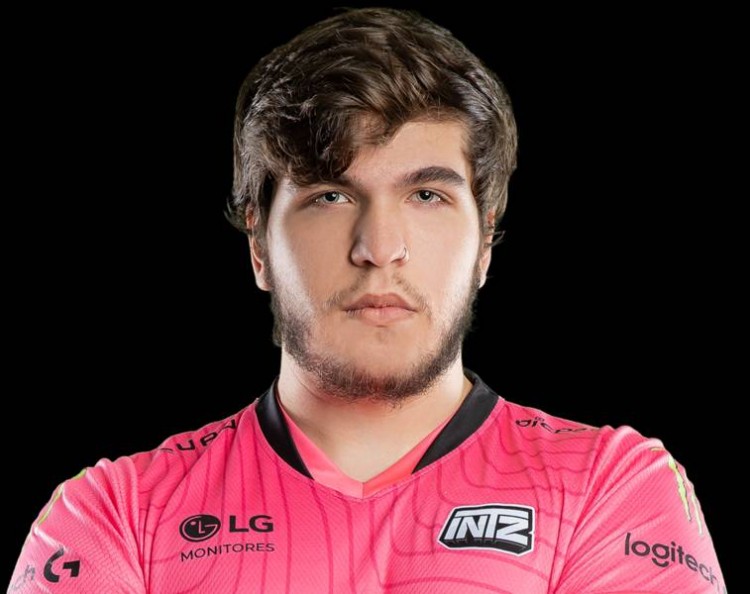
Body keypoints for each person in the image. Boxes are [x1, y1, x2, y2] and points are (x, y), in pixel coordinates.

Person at [8, 7, 726, 594]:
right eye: (330, 195)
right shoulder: (118, 517)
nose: (379, 247)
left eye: (427, 195)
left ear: (485, 242)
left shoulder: (609, 488)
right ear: (258, 245)